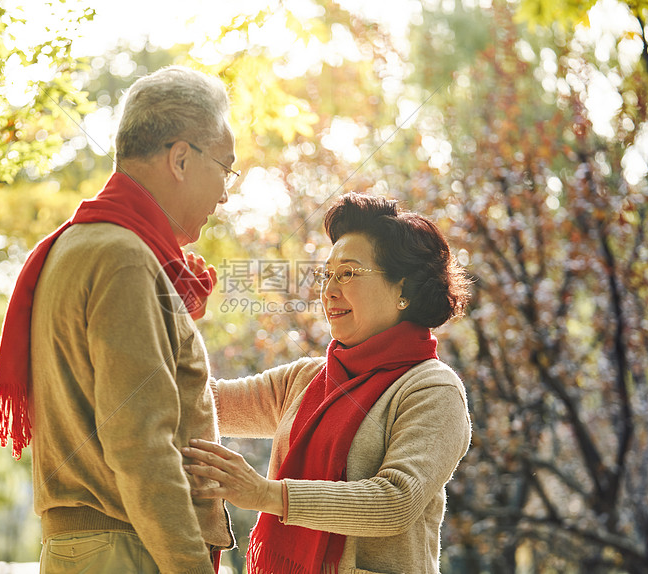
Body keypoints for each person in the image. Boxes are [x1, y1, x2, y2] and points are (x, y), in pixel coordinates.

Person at [0, 66, 238, 573]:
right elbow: (140, 444)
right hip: (130, 550)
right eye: (226, 169)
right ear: (182, 159)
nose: (227, 194)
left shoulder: (79, 244)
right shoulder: (123, 257)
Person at [183, 192, 472, 574]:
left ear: (402, 289)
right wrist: (173, 314)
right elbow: (201, 401)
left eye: (348, 273)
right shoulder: (306, 378)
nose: (329, 291)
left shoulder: (432, 389)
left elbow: (395, 502)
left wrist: (265, 494)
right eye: (326, 275)